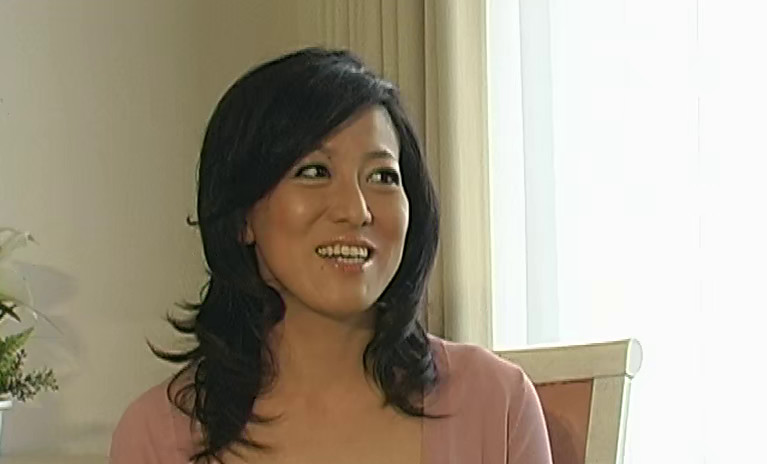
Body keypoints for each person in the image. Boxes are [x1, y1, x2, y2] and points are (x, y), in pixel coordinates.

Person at [110, 47, 552, 464]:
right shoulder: (157, 436)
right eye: (314, 172)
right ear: (242, 217)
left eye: (382, 176)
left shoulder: (497, 403)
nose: (356, 210)